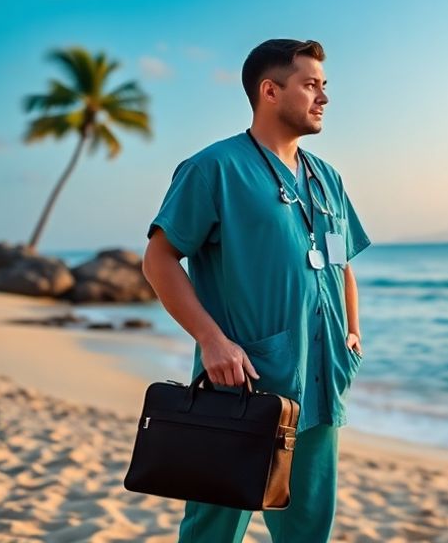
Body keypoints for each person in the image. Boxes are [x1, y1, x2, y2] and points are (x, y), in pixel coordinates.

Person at [141, 38, 371, 542]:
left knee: (308, 528)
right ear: (270, 91)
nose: (323, 97)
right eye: (310, 85)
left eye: (324, 86)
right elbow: (158, 259)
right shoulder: (213, 169)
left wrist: (352, 334)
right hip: (241, 388)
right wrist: (211, 339)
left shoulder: (327, 178)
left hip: (320, 384)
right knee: (214, 529)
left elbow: (342, 262)